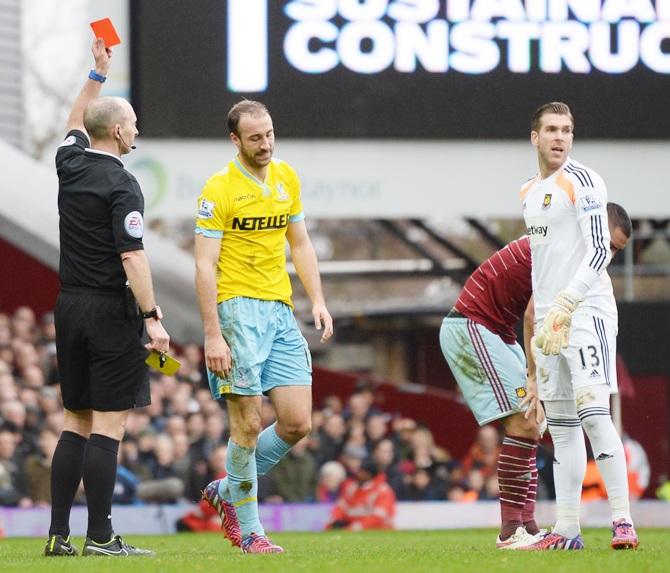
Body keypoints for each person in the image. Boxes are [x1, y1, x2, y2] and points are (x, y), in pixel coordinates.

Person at [440, 200, 631, 549]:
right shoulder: (561, 254)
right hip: (472, 326)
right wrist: (533, 377)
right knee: (526, 423)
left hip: (496, 330)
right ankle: (512, 531)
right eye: (608, 244)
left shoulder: (563, 246)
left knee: (534, 422)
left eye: (615, 251)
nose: (608, 255)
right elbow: (533, 316)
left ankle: (526, 527)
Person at [44, 38, 169, 557]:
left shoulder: (68, 162)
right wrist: (153, 317)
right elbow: (132, 258)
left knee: (75, 418)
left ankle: (58, 535)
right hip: (109, 311)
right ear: (118, 132)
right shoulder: (124, 184)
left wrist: (98, 74)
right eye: (133, 122)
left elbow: (78, 119)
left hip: (68, 305)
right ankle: (100, 536)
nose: (137, 128)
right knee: (110, 423)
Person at [194, 99, 333, 553]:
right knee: (248, 424)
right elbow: (203, 266)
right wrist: (213, 334)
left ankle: (229, 488)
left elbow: (301, 243)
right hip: (236, 311)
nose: (266, 144)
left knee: (297, 424)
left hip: (279, 309)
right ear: (235, 140)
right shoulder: (219, 189)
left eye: (269, 134)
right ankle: (252, 532)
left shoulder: (286, 178)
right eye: (255, 137)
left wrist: (318, 301)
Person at [520, 102, 637, 550]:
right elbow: (540, 265)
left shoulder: (584, 181)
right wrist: (540, 320)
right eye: (551, 129)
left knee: (593, 410)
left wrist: (567, 302)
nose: (559, 138)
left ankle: (622, 520)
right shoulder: (528, 190)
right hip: (550, 322)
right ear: (535, 137)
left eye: (566, 130)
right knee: (563, 428)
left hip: (585, 311)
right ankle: (567, 530)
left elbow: (597, 251)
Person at [326, 460, 396, 531]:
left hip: (378, 531)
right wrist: (335, 522)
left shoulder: (383, 491)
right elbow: (340, 508)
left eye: (361, 472)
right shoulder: (351, 489)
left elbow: (378, 517)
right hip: (353, 529)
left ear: (369, 474)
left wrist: (354, 528)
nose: (358, 474)